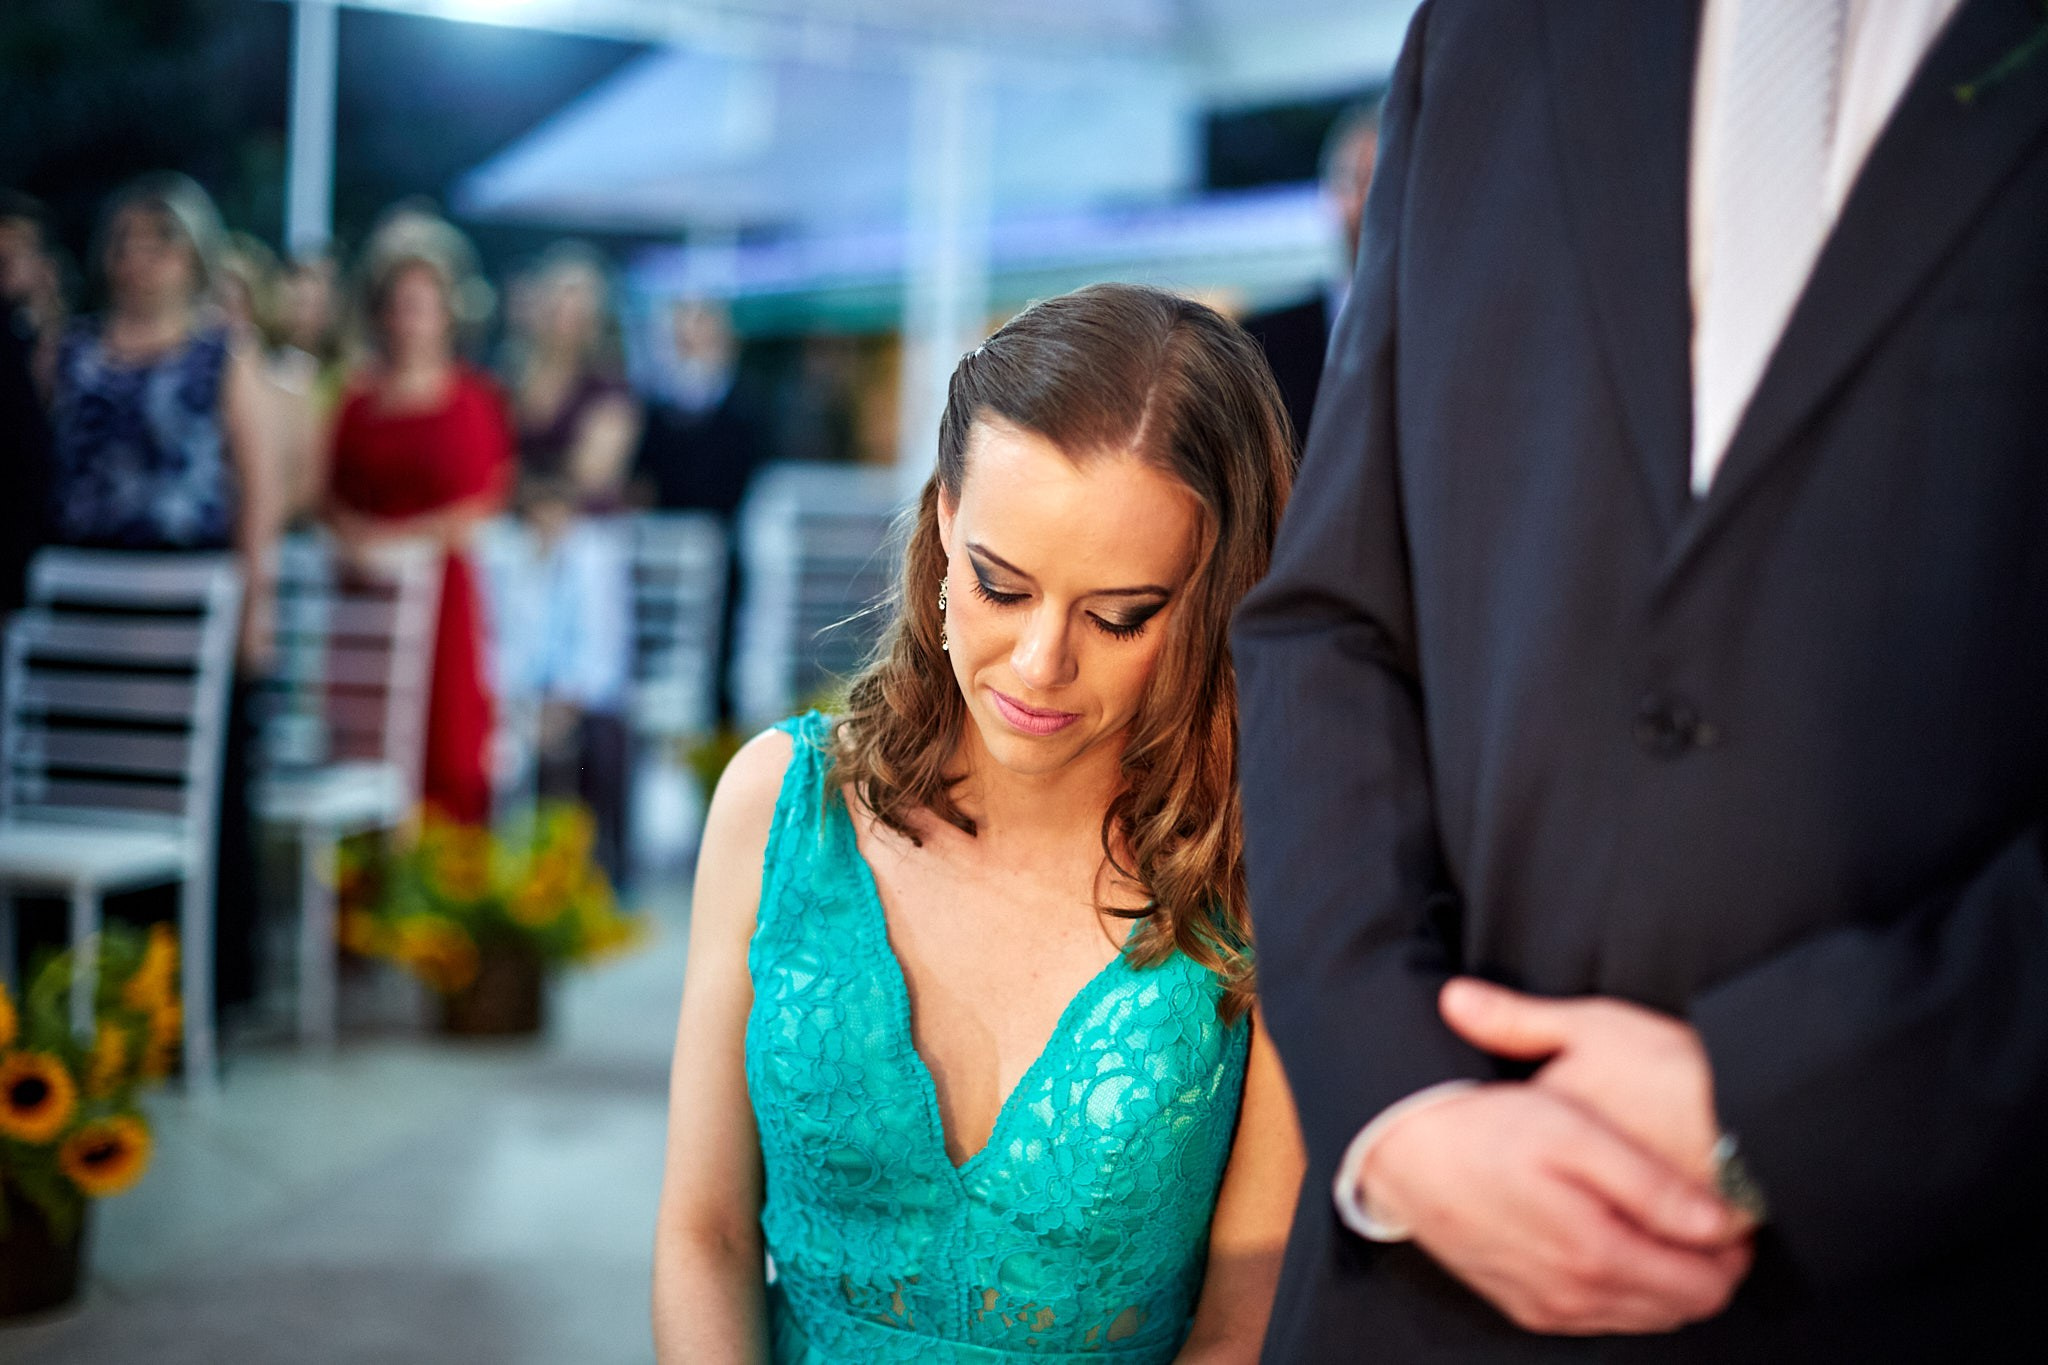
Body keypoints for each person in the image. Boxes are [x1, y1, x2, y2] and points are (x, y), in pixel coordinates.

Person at [1232, 1, 2048, 1359]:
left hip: (1924, 1269)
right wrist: (1395, 1098)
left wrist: (1807, 1098)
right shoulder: (1486, 35)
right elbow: (1330, 620)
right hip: (1420, 1283)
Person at [653, 283, 1306, 1363]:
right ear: (945, 525)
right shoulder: (779, 806)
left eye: (1118, 616)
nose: (1040, 665)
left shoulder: (1260, 864)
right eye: (1001, 588)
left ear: (1215, 596)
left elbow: (1248, 1309)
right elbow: (704, 1232)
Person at [42, 171, 278, 1014]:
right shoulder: (67, 350)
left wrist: (258, 608)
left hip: (188, 601)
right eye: (128, 242)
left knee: (191, 791)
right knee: (80, 785)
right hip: (81, 600)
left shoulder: (224, 352)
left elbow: (259, 487)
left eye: (162, 241)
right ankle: (75, 981)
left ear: (195, 256)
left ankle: (194, 990)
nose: (142, 260)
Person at [324, 211, 511, 827]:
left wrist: (396, 543)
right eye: (400, 305)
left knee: (448, 752)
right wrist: (357, 542)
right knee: (360, 747)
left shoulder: (472, 398)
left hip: (441, 597)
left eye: (423, 306)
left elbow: (481, 502)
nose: (410, 320)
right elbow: (331, 495)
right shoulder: (357, 400)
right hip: (362, 597)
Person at [630, 296, 764, 725]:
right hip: (661, 562)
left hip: (724, 557)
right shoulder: (652, 412)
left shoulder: (747, 411)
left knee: (720, 665)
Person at [1237, 100, 1378, 457]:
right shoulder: (1260, 345)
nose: (1370, 203)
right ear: (1328, 194)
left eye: (1386, 184)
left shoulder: (1452, 339)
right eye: (1355, 181)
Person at [510, 242, 640, 511]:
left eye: (577, 298)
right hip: (515, 529)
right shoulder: (513, 376)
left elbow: (592, 475)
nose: (566, 309)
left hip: (585, 534)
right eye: (560, 297)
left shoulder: (609, 387)